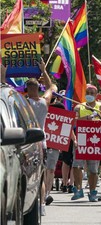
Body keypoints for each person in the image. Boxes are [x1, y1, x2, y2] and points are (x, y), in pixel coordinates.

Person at [72, 84, 101, 202]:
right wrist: (87, 119)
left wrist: (100, 121)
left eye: (92, 93)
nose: (89, 95)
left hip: (95, 142)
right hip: (81, 140)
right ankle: (78, 189)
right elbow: (73, 121)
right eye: (87, 92)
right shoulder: (79, 107)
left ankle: (93, 191)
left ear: (96, 95)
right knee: (77, 166)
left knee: (93, 169)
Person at [24, 59, 53, 216]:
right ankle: (41, 205)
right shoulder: (44, 102)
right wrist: (43, 70)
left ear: (27, 89)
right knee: (40, 176)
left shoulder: (23, 103)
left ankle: (31, 203)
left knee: (28, 176)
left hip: (26, 144)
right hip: (41, 143)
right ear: (37, 88)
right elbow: (50, 88)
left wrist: (3, 73)